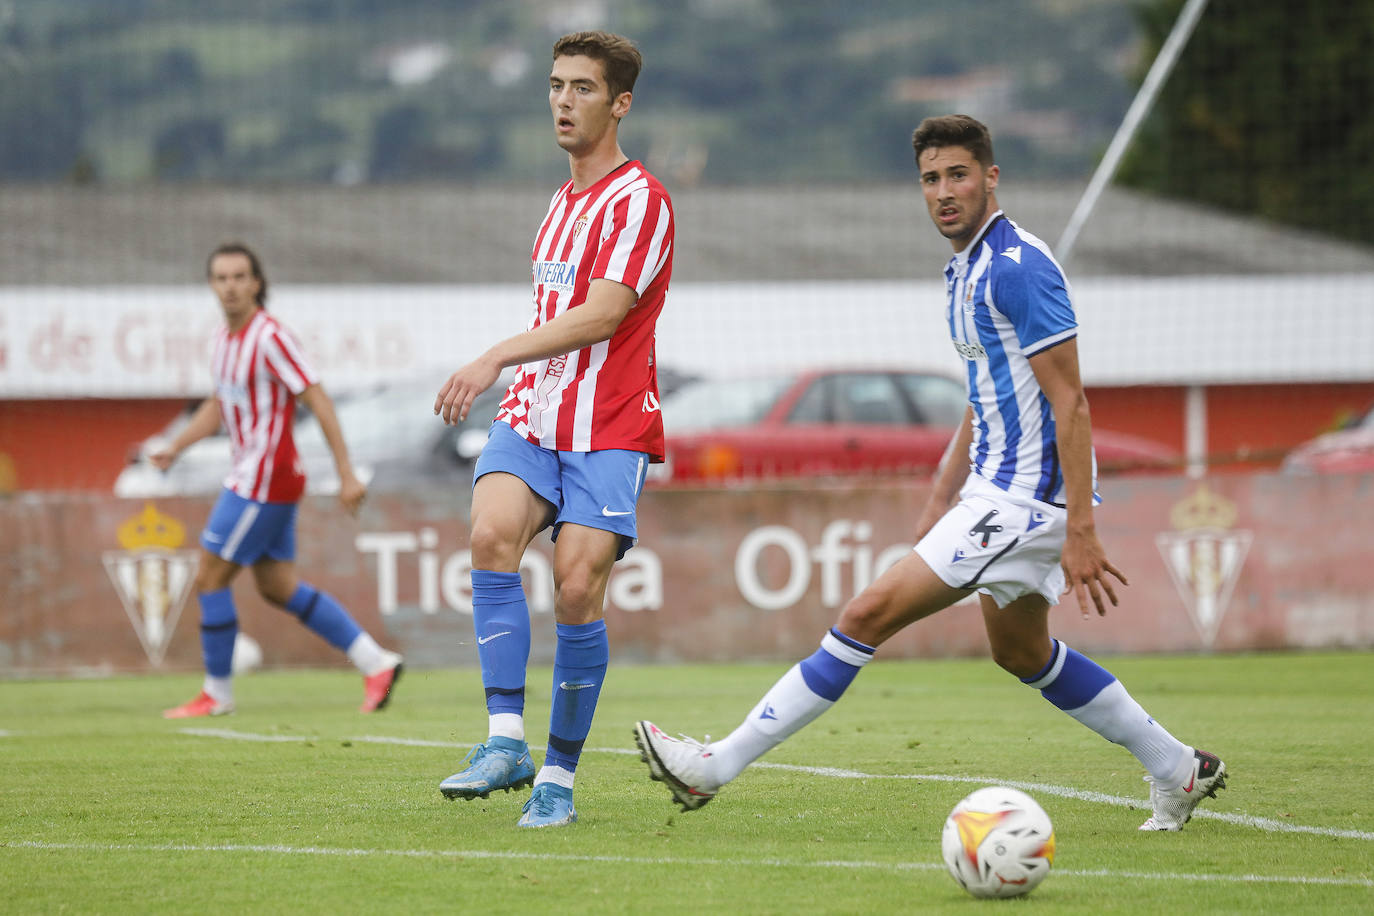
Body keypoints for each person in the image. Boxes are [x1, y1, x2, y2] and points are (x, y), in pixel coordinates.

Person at [635, 115, 1226, 832]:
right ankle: (1177, 768)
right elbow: (985, 397)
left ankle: (713, 768)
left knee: (864, 616)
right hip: (993, 495)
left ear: (991, 177)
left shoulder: (1018, 266)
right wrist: (943, 495)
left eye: (958, 175)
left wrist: (1080, 528)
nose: (944, 192)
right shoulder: (965, 269)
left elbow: (1071, 401)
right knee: (1022, 651)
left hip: (1024, 503)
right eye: (930, 179)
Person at [432, 31, 674, 829]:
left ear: (620, 103)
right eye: (556, 85)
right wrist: (511, 370)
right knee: (491, 535)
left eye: (582, 88)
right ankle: (506, 741)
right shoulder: (560, 200)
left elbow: (605, 313)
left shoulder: (641, 200)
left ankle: (559, 781)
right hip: (534, 413)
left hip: (609, 424)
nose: (563, 101)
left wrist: (494, 354)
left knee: (576, 585)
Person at [158, 242, 403, 719]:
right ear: (212, 285)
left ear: (256, 283)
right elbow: (217, 405)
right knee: (277, 586)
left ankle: (217, 694)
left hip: (264, 478)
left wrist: (346, 472)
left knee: (209, 577)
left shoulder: (270, 337)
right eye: (221, 278)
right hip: (256, 477)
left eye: (239, 277)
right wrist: (176, 446)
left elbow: (318, 398)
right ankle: (377, 662)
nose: (230, 286)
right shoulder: (221, 341)